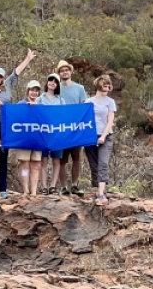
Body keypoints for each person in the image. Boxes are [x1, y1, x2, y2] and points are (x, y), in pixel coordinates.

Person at [0, 49, 37, 200]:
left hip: (5, 130)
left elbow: (16, 73)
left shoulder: (7, 87)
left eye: (0, 76)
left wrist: (28, 59)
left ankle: (2, 190)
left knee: (3, 160)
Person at [47, 60, 88, 195]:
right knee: (61, 159)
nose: (65, 72)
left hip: (76, 129)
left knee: (77, 157)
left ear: (71, 71)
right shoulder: (56, 88)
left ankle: (75, 185)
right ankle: (63, 187)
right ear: (59, 73)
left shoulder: (79, 88)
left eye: (67, 70)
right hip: (61, 129)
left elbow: (84, 107)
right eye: (62, 70)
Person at [84, 75, 117, 206]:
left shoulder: (110, 102)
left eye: (109, 86)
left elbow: (110, 121)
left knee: (103, 163)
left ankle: (101, 193)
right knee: (94, 164)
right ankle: (97, 187)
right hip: (90, 136)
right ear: (99, 85)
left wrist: (103, 136)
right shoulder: (89, 101)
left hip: (106, 136)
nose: (107, 88)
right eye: (105, 85)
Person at [15, 80, 46, 196]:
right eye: (32, 90)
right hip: (24, 140)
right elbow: (16, 120)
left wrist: (36, 108)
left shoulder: (42, 106)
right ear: (28, 90)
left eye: (37, 90)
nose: (34, 93)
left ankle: (33, 192)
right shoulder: (20, 104)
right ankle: (25, 190)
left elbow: (45, 121)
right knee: (24, 164)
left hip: (37, 140)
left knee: (36, 165)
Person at [38, 72, 64, 195]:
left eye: (55, 81)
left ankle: (53, 186)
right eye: (50, 80)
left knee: (56, 161)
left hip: (57, 134)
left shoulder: (61, 100)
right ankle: (43, 186)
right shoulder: (40, 98)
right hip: (43, 134)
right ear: (47, 82)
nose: (52, 83)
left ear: (57, 85)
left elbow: (66, 115)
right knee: (43, 160)